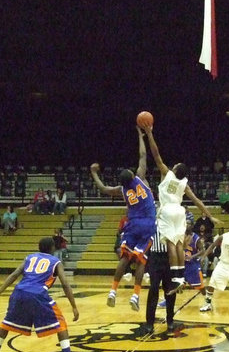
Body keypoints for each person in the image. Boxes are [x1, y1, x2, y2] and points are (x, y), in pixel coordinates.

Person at [142, 122, 220, 293]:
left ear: (175, 169)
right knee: (178, 244)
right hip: (180, 211)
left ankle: (175, 277)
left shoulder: (167, 173)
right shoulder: (184, 184)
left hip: (167, 210)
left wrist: (149, 134)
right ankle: (180, 277)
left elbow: (155, 154)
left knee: (170, 243)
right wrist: (209, 215)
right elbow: (197, 201)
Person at [0, 237, 80, 352]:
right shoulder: (56, 262)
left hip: (19, 292)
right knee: (60, 323)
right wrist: (74, 306)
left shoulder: (29, 258)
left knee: (6, 323)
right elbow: (65, 283)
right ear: (53, 248)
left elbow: (14, 275)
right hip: (38, 294)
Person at [90, 127, 156, 311]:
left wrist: (94, 172)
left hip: (133, 224)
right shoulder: (141, 179)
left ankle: (113, 291)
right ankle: (135, 295)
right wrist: (140, 135)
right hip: (148, 224)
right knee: (141, 260)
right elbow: (143, 155)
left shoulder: (121, 190)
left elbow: (103, 189)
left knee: (125, 258)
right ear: (133, 175)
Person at [145, 225, 180, 334]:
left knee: (170, 290)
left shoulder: (172, 222)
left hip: (169, 256)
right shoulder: (152, 222)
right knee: (153, 289)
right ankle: (149, 322)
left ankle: (170, 320)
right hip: (155, 257)